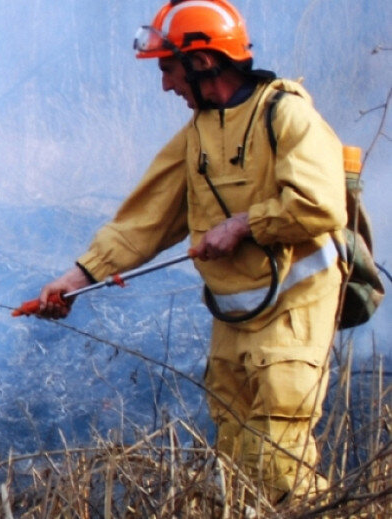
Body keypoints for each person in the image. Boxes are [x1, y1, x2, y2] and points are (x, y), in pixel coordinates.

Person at [36, 0, 347, 505]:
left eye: (168, 68)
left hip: (293, 315)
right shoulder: (198, 134)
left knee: (278, 469)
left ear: (202, 63)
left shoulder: (285, 113)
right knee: (236, 467)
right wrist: (76, 280)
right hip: (234, 315)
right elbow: (143, 221)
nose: (165, 85)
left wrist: (244, 225)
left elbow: (320, 205)